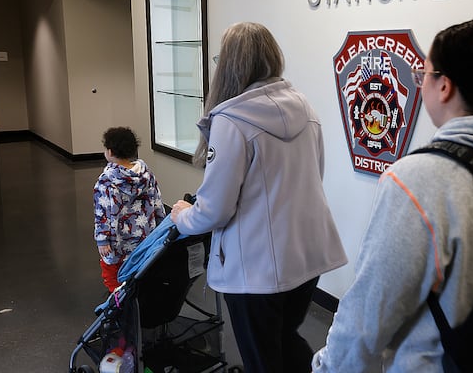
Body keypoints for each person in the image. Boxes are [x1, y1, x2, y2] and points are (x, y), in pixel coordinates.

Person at [311, 19, 473, 372]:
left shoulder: (417, 182)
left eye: (423, 75)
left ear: (445, 87)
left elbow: (367, 316)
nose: (420, 85)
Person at [170, 22, 347, 373]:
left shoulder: (232, 122)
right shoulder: (304, 108)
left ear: (229, 65)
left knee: (262, 358)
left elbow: (215, 210)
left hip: (256, 271)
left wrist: (181, 215)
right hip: (305, 260)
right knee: (284, 340)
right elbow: (315, 177)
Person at [93, 126, 166, 293]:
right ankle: (138, 293)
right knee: (140, 264)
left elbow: (102, 212)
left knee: (111, 269)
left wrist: (103, 239)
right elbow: (157, 201)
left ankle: (117, 298)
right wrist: (161, 225)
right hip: (145, 234)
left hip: (119, 238)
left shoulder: (107, 181)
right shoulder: (146, 175)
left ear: (109, 152)